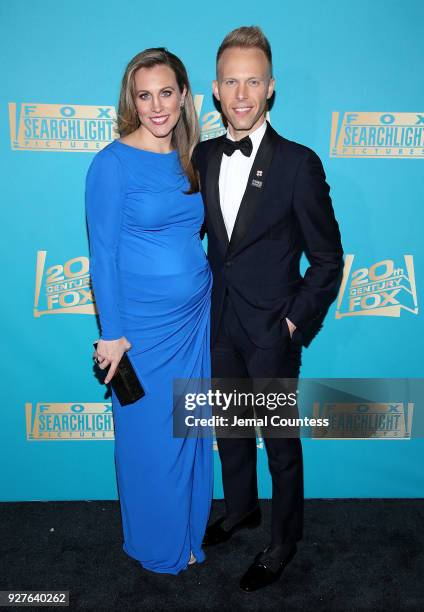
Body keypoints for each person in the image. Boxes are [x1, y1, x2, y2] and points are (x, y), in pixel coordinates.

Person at [193, 26, 344, 591]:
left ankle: (283, 540)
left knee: (279, 443)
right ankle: (239, 510)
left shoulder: (298, 164)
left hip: (271, 329)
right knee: (230, 429)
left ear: (271, 87)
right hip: (219, 322)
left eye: (252, 80)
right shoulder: (203, 156)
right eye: (231, 80)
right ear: (214, 88)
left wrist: (292, 319)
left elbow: (328, 258)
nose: (241, 93)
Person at [85, 48, 213, 575]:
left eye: (166, 93)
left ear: (183, 96)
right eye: (145, 95)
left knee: (189, 430)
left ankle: (187, 535)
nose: (157, 106)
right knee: (148, 443)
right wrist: (112, 334)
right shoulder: (111, 164)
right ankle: (157, 545)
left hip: (194, 320)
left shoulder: (191, 158)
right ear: (131, 101)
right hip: (140, 331)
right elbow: (103, 255)